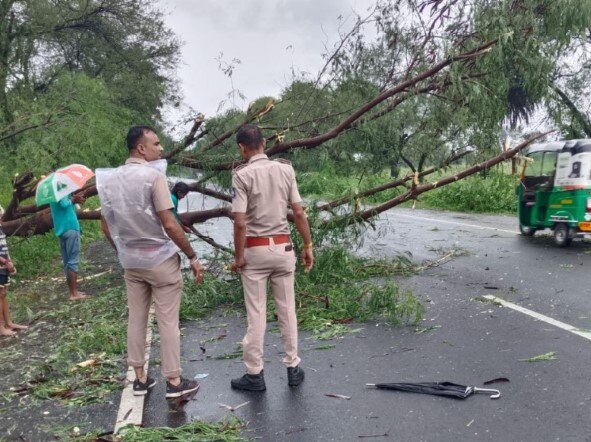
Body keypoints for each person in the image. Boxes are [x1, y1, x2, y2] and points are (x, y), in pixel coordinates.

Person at [98, 125, 205, 399]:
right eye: (156, 144)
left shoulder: (108, 181)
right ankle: (174, 380)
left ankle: (140, 378)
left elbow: (105, 225)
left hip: (131, 262)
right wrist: (192, 256)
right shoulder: (153, 177)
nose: (160, 148)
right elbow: (169, 223)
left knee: (137, 318)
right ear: (141, 148)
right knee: (168, 320)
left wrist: (122, 250)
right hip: (160, 261)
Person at [230, 124, 314, 391]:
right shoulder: (285, 169)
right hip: (283, 249)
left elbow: (240, 222)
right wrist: (308, 244)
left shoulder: (241, 176)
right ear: (264, 143)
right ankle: (293, 368)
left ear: (242, 148)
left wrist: (239, 257)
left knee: (256, 315)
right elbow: (299, 213)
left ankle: (255, 374)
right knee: (287, 310)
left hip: (254, 252)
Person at [49, 192, 87, 301]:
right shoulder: (60, 190)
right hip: (70, 227)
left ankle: (73, 291)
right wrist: (73, 199)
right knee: (73, 260)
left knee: (67, 262)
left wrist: (73, 198)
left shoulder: (53, 194)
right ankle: (74, 294)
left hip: (61, 229)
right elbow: (64, 204)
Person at [0, 206, 28, 336]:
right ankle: (1, 327)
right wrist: (5, 262)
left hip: (5, 265)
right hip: (2, 265)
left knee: (3, 293)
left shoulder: (0, 229)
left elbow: (5, 248)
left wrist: (10, 262)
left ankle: (8, 322)